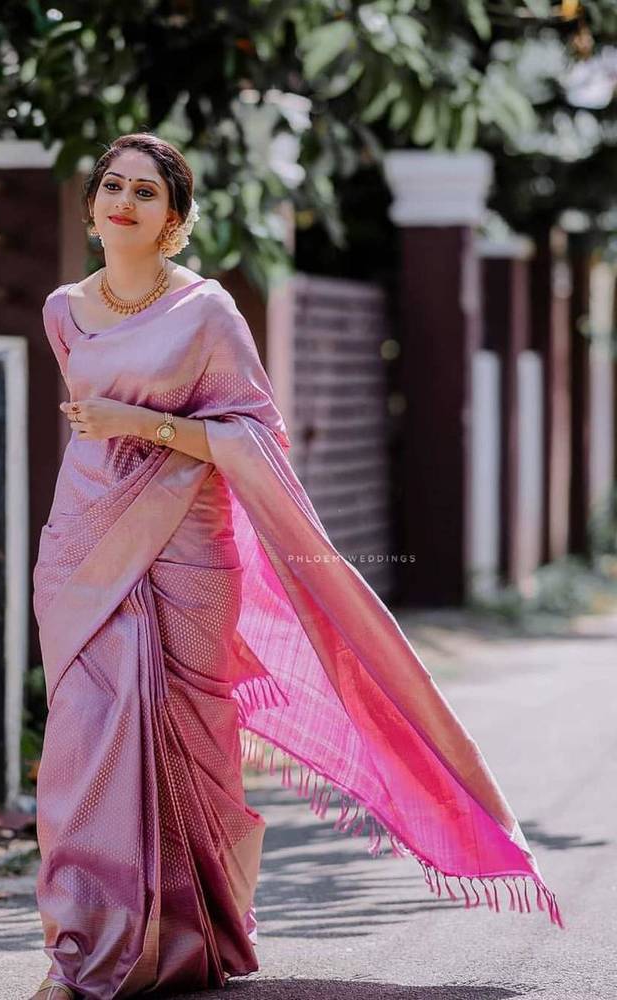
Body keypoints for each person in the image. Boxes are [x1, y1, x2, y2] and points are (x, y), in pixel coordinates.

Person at [30, 133, 563, 1000]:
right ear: (92, 207)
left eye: (146, 193)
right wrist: (114, 434)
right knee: (83, 751)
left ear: (174, 221)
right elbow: (86, 433)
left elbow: (254, 435)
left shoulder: (206, 313)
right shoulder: (63, 310)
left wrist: (145, 424)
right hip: (82, 556)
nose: (123, 202)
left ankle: (188, 934)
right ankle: (80, 952)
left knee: (191, 754)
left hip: (188, 558)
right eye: (111, 187)